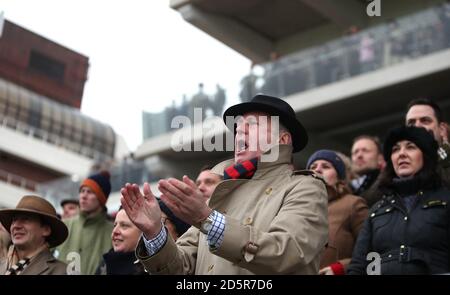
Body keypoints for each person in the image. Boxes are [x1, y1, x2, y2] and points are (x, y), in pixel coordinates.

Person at [121, 94, 328, 275]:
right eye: (238, 128)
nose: (240, 131)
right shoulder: (221, 194)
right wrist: (154, 232)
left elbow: (287, 252)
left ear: (282, 140)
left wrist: (207, 219)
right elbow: (180, 268)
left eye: (253, 125)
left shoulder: (306, 187)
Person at [347, 126, 450, 275]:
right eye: (395, 150)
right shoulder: (377, 210)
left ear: (425, 156)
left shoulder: (446, 199)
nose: (401, 154)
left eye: (410, 147)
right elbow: (358, 265)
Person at [306, 150, 368, 275]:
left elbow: (372, 250)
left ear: (340, 178)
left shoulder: (353, 204)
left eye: (326, 166)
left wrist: (342, 268)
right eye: (313, 167)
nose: (317, 170)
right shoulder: (295, 209)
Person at [56, 171, 113, 275]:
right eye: (82, 191)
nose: (83, 196)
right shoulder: (63, 226)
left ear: (101, 198)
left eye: (90, 192)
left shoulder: (113, 233)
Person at [0, 195, 68, 275]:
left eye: (25, 219)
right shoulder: (2, 266)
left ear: (46, 230)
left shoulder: (63, 271)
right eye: (14, 220)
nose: (16, 226)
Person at [405, 98, 450, 188]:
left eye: (425, 121)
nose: (417, 126)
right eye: (411, 123)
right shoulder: (397, 165)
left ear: (441, 130)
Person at [96, 207, 145, 275]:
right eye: (114, 225)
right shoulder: (105, 265)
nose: (115, 231)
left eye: (124, 225)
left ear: (144, 231)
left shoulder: (151, 268)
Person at [350, 135, 385, 207]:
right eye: (355, 152)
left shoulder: (388, 185)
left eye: (365, 150)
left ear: (380, 158)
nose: (359, 155)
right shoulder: (346, 189)